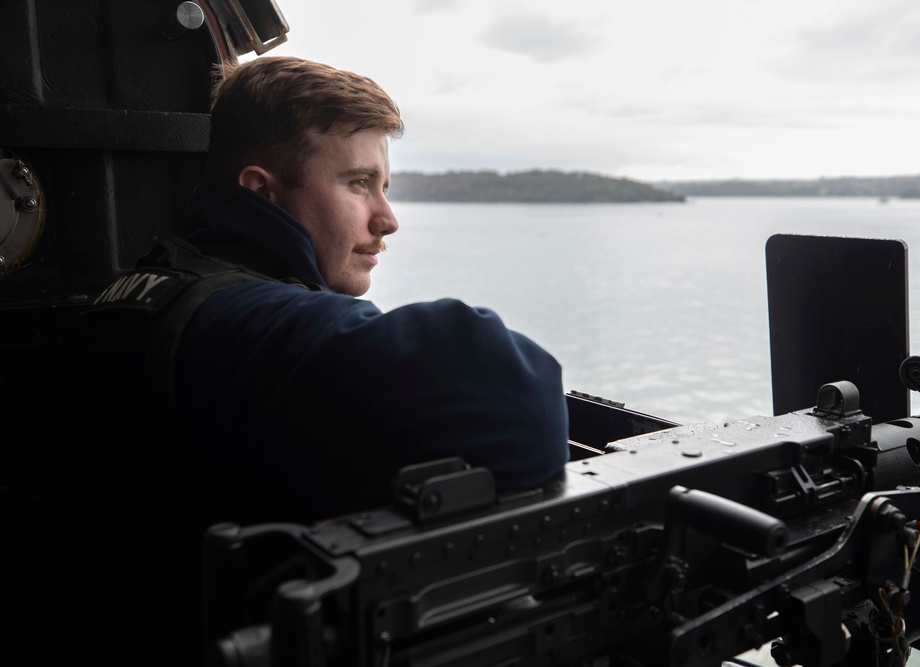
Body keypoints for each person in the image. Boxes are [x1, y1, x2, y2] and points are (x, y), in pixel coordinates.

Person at [76, 56, 569, 665]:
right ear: (261, 190)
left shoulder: (144, 294)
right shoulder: (230, 325)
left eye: (385, 187)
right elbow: (516, 403)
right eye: (359, 184)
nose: (387, 219)